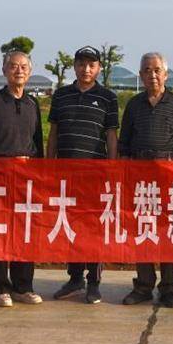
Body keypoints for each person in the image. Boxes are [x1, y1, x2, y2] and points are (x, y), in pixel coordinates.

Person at [119, 52, 173, 308]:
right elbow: (125, 144)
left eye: (157, 70)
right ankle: (143, 285)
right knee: (144, 230)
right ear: (140, 75)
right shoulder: (134, 105)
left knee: (168, 230)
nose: (152, 75)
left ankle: (169, 287)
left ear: (166, 74)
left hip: (170, 176)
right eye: (147, 70)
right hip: (141, 176)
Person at [48, 46, 119, 305]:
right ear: (74, 66)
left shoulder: (108, 97)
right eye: (81, 64)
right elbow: (54, 133)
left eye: (91, 64)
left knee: (94, 226)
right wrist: (49, 165)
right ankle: (75, 277)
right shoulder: (61, 96)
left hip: (96, 174)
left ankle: (94, 282)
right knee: (71, 225)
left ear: (99, 67)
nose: (86, 69)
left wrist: (112, 169)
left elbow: (111, 137)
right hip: (66, 173)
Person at [0, 50, 44, 307]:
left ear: (29, 71)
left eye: (24, 67)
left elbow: (38, 142)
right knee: (0, 232)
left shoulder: (32, 104)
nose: (19, 71)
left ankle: (23, 286)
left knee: (25, 232)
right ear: (4, 70)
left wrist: (39, 174)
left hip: (26, 178)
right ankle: (0, 287)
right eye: (13, 66)